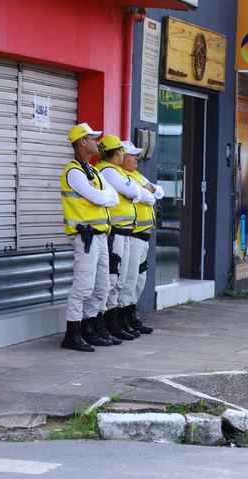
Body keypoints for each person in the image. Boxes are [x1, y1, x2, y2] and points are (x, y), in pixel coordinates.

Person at [60, 123, 119, 352]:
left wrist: (102, 196)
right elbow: (99, 197)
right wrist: (102, 196)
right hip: (85, 237)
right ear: (82, 142)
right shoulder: (73, 172)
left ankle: (90, 328)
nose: (97, 142)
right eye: (93, 139)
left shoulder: (92, 171)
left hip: (100, 236)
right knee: (83, 287)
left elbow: (110, 198)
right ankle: (72, 334)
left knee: (102, 286)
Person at [96, 135, 143, 342]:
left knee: (121, 279)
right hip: (115, 233)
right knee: (113, 279)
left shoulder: (116, 171)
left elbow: (136, 192)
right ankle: (106, 322)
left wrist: (134, 192)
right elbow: (133, 191)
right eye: (122, 151)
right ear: (117, 152)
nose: (125, 155)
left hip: (124, 233)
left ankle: (113, 321)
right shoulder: (107, 170)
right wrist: (134, 192)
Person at [116, 140, 164, 334]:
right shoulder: (121, 176)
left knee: (140, 278)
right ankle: (122, 317)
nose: (137, 158)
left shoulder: (136, 175)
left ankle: (130, 314)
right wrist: (147, 191)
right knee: (129, 278)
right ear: (121, 157)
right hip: (133, 234)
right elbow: (148, 196)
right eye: (132, 155)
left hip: (144, 235)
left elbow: (158, 191)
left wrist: (149, 191)